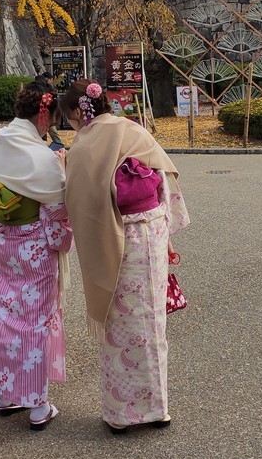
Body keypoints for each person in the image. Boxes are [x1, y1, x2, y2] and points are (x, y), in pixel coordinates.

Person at [60, 78, 190, 433]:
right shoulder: (132, 130)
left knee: (119, 325)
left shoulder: (83, 145)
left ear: (77, 111)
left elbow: (78, 200)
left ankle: (121, 415)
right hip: (151, 234)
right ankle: (157, 410)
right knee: (151, 324)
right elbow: (165, 179)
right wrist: (166, 237)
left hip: (114, 242)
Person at [0, 83, 73, 430]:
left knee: (5, 314)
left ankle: (6, 394)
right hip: (35, 249)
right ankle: (38, 405)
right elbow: (59, 207)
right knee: (35, 320)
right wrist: (63, 170)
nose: (50, 129)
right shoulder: (42, 155)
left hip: (6, 243)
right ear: (43, 115)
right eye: (51, 120)